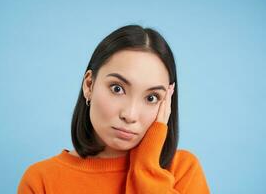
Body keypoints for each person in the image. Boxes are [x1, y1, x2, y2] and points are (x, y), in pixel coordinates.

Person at [18, 25, 210, 193]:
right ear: (89, 85)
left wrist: (147, 167)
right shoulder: (41, 180)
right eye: (117, 89)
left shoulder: (183, 171)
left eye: (151, 98)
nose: (130, 114)